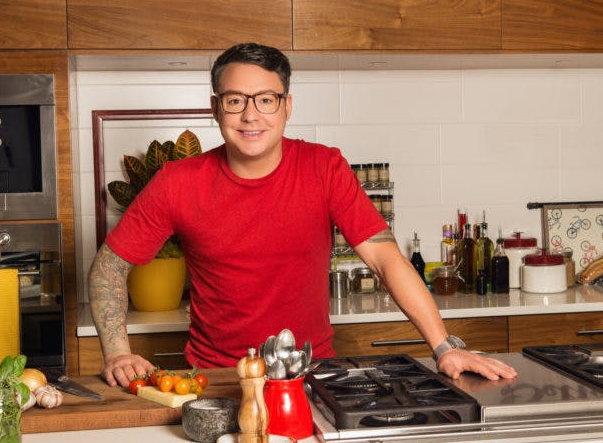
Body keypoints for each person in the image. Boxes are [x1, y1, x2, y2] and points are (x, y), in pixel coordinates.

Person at [89, 42, 517, 387]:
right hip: (217, 379)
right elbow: (108, 268)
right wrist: (118, 353)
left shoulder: (324, 167)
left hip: (310, 376)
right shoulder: (177, 181)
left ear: (287, 106)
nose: (251, 115)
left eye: (266, 100)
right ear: (216, 108)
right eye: (236, 100)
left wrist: (444, 347)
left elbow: (384, 259)